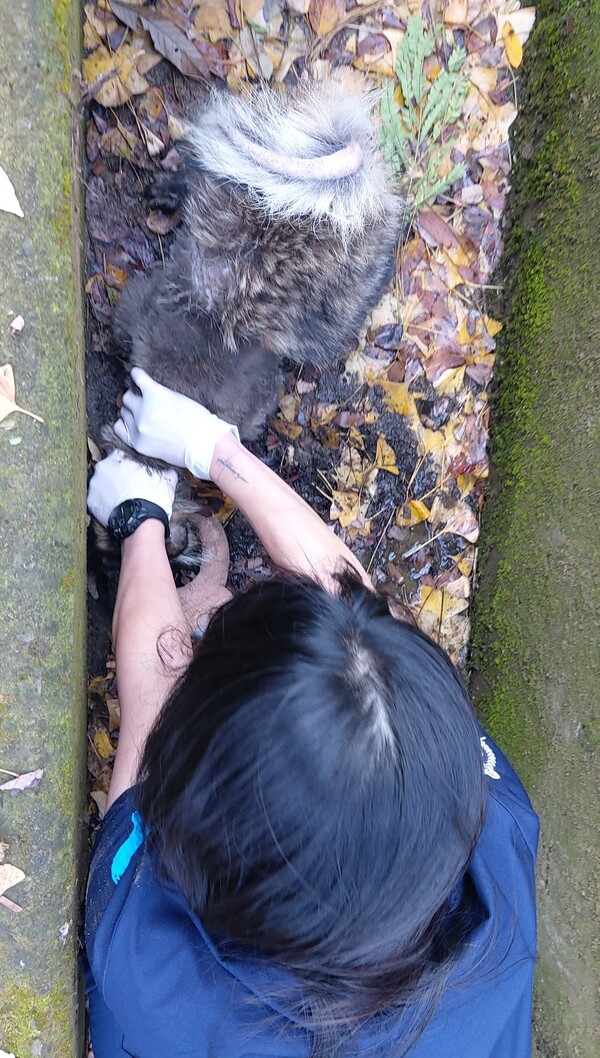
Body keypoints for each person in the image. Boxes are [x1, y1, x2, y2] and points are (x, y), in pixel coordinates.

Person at [85, 369, 539, 1058]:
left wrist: (138, 519)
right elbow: (367, 635)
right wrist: (216, 451)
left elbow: (146, 729)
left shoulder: (151, 963)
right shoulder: (497, 834)